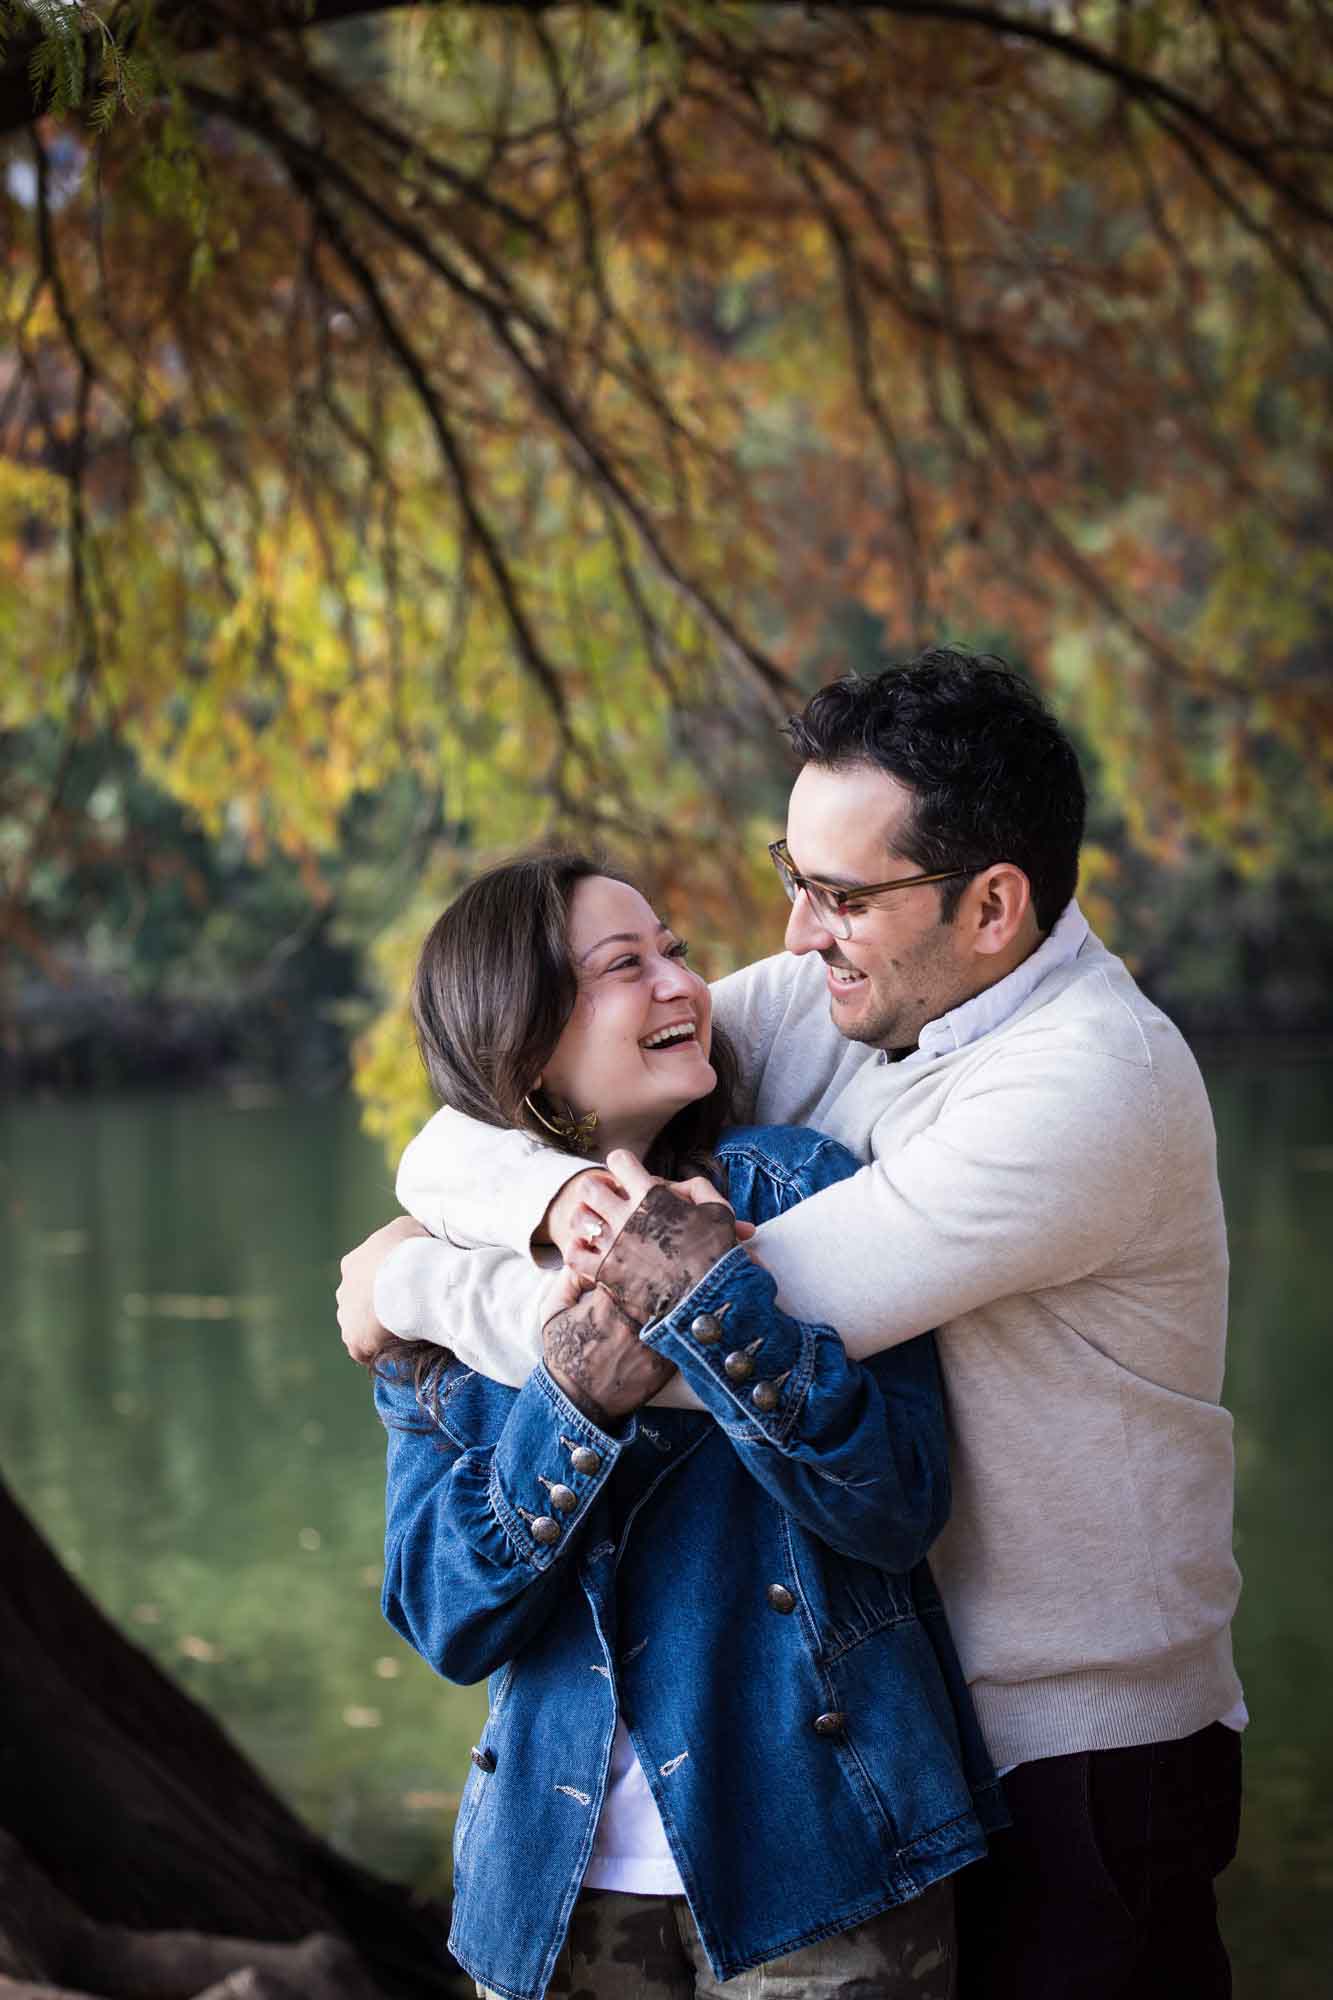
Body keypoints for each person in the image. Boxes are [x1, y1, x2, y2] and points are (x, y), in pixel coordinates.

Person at [341, 648, 1245, 1999]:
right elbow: (472, 1106)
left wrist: (410, 1293)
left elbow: (690, 1340)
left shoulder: (1085, 1088)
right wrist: (551, 1197)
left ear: (991, 906)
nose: (796, 933)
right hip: (897, 1735)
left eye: (841, 894)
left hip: (1075, 1751)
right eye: (791, 877)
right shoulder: (844, 996)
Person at [366, 851, 1003, 2000]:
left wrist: (713, 1308)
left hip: (825, 1850)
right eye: (626, 965)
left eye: (676, 950)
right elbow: (445, 1616)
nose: (681, 984)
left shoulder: (795, 1190)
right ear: (521, 1033)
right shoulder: (439, 1281)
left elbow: (894, 1503)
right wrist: (574, 1396)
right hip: (548, 1890)